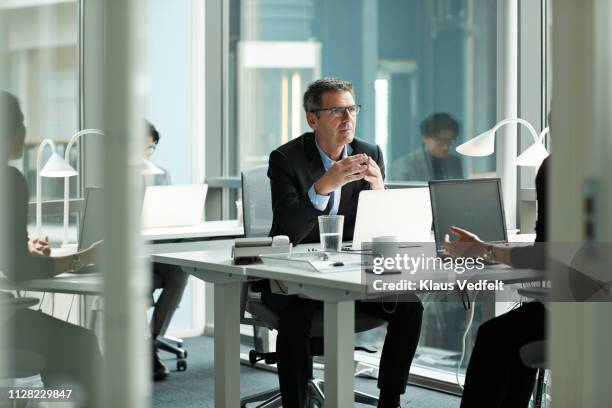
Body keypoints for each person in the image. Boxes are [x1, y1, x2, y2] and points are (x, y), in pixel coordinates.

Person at [265, 78, 423, 408]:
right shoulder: (286, 159)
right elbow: (285, 231)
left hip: (350, 273)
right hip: (297, 274)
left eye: (351, 109)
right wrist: (322, 187)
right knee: (295, 317)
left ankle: (390, 399)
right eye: (337, 111)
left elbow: (383, 230)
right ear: (313, 119)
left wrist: (380, 191)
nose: (347, 118)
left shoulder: (371, 152)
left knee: (409, 305)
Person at [0, 90, 102, 407]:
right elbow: (20, 269)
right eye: (21, 122)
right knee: (82, 344)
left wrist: (22, 245)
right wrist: (84, 257)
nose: (24, 130)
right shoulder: (8, 180)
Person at [443, 157, 549, 407]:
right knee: (520, 331)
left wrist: (483, 249)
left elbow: (543, 256)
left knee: (494, 337)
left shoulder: (556, 168)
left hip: (582, 318)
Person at [143, 121, 189, 381]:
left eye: (150, 147)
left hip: (156, 251)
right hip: (127, 256)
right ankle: (146, 350)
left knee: (181, 272)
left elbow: (168, 211)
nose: (145, 153)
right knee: (140, 281)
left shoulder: (161, 173)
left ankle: (150, 339)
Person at [389, 112, 463, 181]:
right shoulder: (404, 165)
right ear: (425, 137)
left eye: (450, 141)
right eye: (441, 140)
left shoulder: (455, 163)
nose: (446, 147)